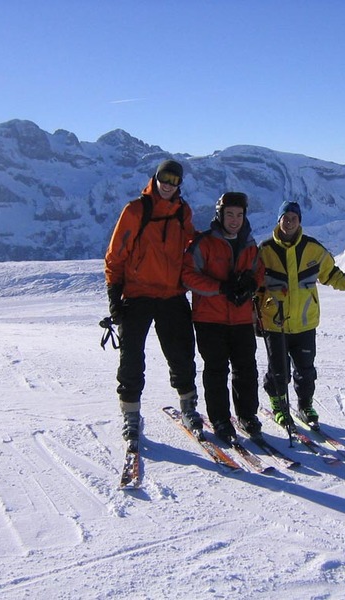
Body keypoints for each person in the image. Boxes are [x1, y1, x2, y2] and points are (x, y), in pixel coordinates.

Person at [104, 159, 201, 451]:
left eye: (174, 180)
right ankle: (131, 415)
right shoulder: (136, 210)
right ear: (155, 178)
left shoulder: (182, 211)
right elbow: (116, 254)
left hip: (172, 294)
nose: (168, 184)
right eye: (164, 178)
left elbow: (192, 244)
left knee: (181, 354)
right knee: (131, 358)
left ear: (180, 184)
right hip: (138, 295)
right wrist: (114, 295)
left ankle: (188, 407)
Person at [255, 200, 345, 429]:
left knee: (306, 370)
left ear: (299, 221)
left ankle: (305, 405)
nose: (289, 222)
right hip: (275, 323)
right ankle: (279, 404)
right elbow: (255, 285)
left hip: (305, 323)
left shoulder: (313, 249)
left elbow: (331, 274)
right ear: (279, 220)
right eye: (285, 218)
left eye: (293, 218)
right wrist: (254, 316)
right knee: (278, 370)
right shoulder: (264, 250)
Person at [182, 192, 264, 443]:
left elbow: (258, 270)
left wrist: (251, 284)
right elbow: (188, 276)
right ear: (220, 215)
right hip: (210, 319)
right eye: (229, 214)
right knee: (216, 370)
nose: (234, 220)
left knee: (246, 369)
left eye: (239, 215)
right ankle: (220, 419)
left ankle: (247, 415)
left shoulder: (249, 244)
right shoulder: (203, 243)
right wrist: (220, 287)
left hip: (241, 318)